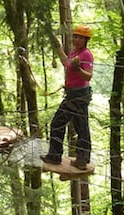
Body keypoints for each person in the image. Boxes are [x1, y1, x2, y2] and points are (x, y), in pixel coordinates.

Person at [41, 25, 94, 169]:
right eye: (75, 37)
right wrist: (58, 47)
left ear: (86, 40)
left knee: (58, 122)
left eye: (80, 38)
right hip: (73, 93)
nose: (76, 40)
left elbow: (88, 76)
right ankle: (81, 159)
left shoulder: (86, 54)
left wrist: (79, 70)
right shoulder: (74, 53)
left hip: (79, 94)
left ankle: (56, 155)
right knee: (81, 125)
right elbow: (66, 63)